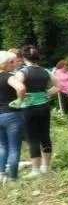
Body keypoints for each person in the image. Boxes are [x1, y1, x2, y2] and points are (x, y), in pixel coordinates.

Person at [16, 45, 57, 178]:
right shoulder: (46, 71)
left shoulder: (23, 72)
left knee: (32, 138)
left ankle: (36, 170)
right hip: (44, 107)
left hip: (28, 108)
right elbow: (59, 86)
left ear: (23, 58)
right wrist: (48, 94)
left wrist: (20, 99)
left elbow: (19, 88)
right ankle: (46, 167)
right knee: (45, 136)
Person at [0, 51, 26, 183]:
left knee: (2, 146)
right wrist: (20, 101)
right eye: (11, 62)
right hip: (12, 114)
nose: (13, 64)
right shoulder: (8, 76)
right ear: (5, 63)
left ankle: (1, 174)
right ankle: (13, 178)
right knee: (14, 148)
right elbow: (21, 88)